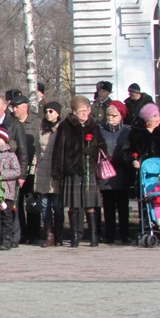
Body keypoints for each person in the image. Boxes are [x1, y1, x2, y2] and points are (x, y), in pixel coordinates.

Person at [51, 95, 108, 247]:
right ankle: (75, 235)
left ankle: (94, 235)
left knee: (90, 205)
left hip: (89, 170)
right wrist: (57, 171)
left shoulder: (93, 125)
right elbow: (59, 149)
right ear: (74, 112)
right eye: (81, 111)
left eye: (87, 110)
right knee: (74, 205)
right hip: (72, 170)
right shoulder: (66, 126)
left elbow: (103, 147)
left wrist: (93, 150)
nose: (85, 113)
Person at [99, 100, 131, 245]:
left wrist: (122, 159)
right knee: (108, 206)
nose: (110, 118)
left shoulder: (127, 131)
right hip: (106, 173)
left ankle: (125, 234)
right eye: (108, 115)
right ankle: (109, 235)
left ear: (121, 116)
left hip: (122, 172)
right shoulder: (101, 130)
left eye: (114, 115)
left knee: (123, 207)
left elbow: (130, 149)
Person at [11, 94, 41, 244]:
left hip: (32, 168)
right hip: (14, 167)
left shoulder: (37, 121)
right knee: (16, 201)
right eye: (13, 107)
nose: (14, 110)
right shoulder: (11, 122)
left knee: (33, 200)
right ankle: (20, 233)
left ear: (25, 107)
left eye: (17, 107)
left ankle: (34, 233)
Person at [33, 102, 64, 247]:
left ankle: (59, 235)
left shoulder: (63, 129)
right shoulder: (42, 129)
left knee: (57, 205)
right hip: (43, 170)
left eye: (51, 111)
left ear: (58, 113)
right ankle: (49, 235)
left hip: (57, 170)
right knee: (44, 205)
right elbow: (38, 151)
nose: (48, 114)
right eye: (46, 111)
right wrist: (34, 167)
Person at [124, 103, 160, 168]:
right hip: (143, 170)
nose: (158, 119)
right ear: (146, 119)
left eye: (158, 115)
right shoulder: (136, 132)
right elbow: (127, 151)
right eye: (154, 116)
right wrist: (133, 161)